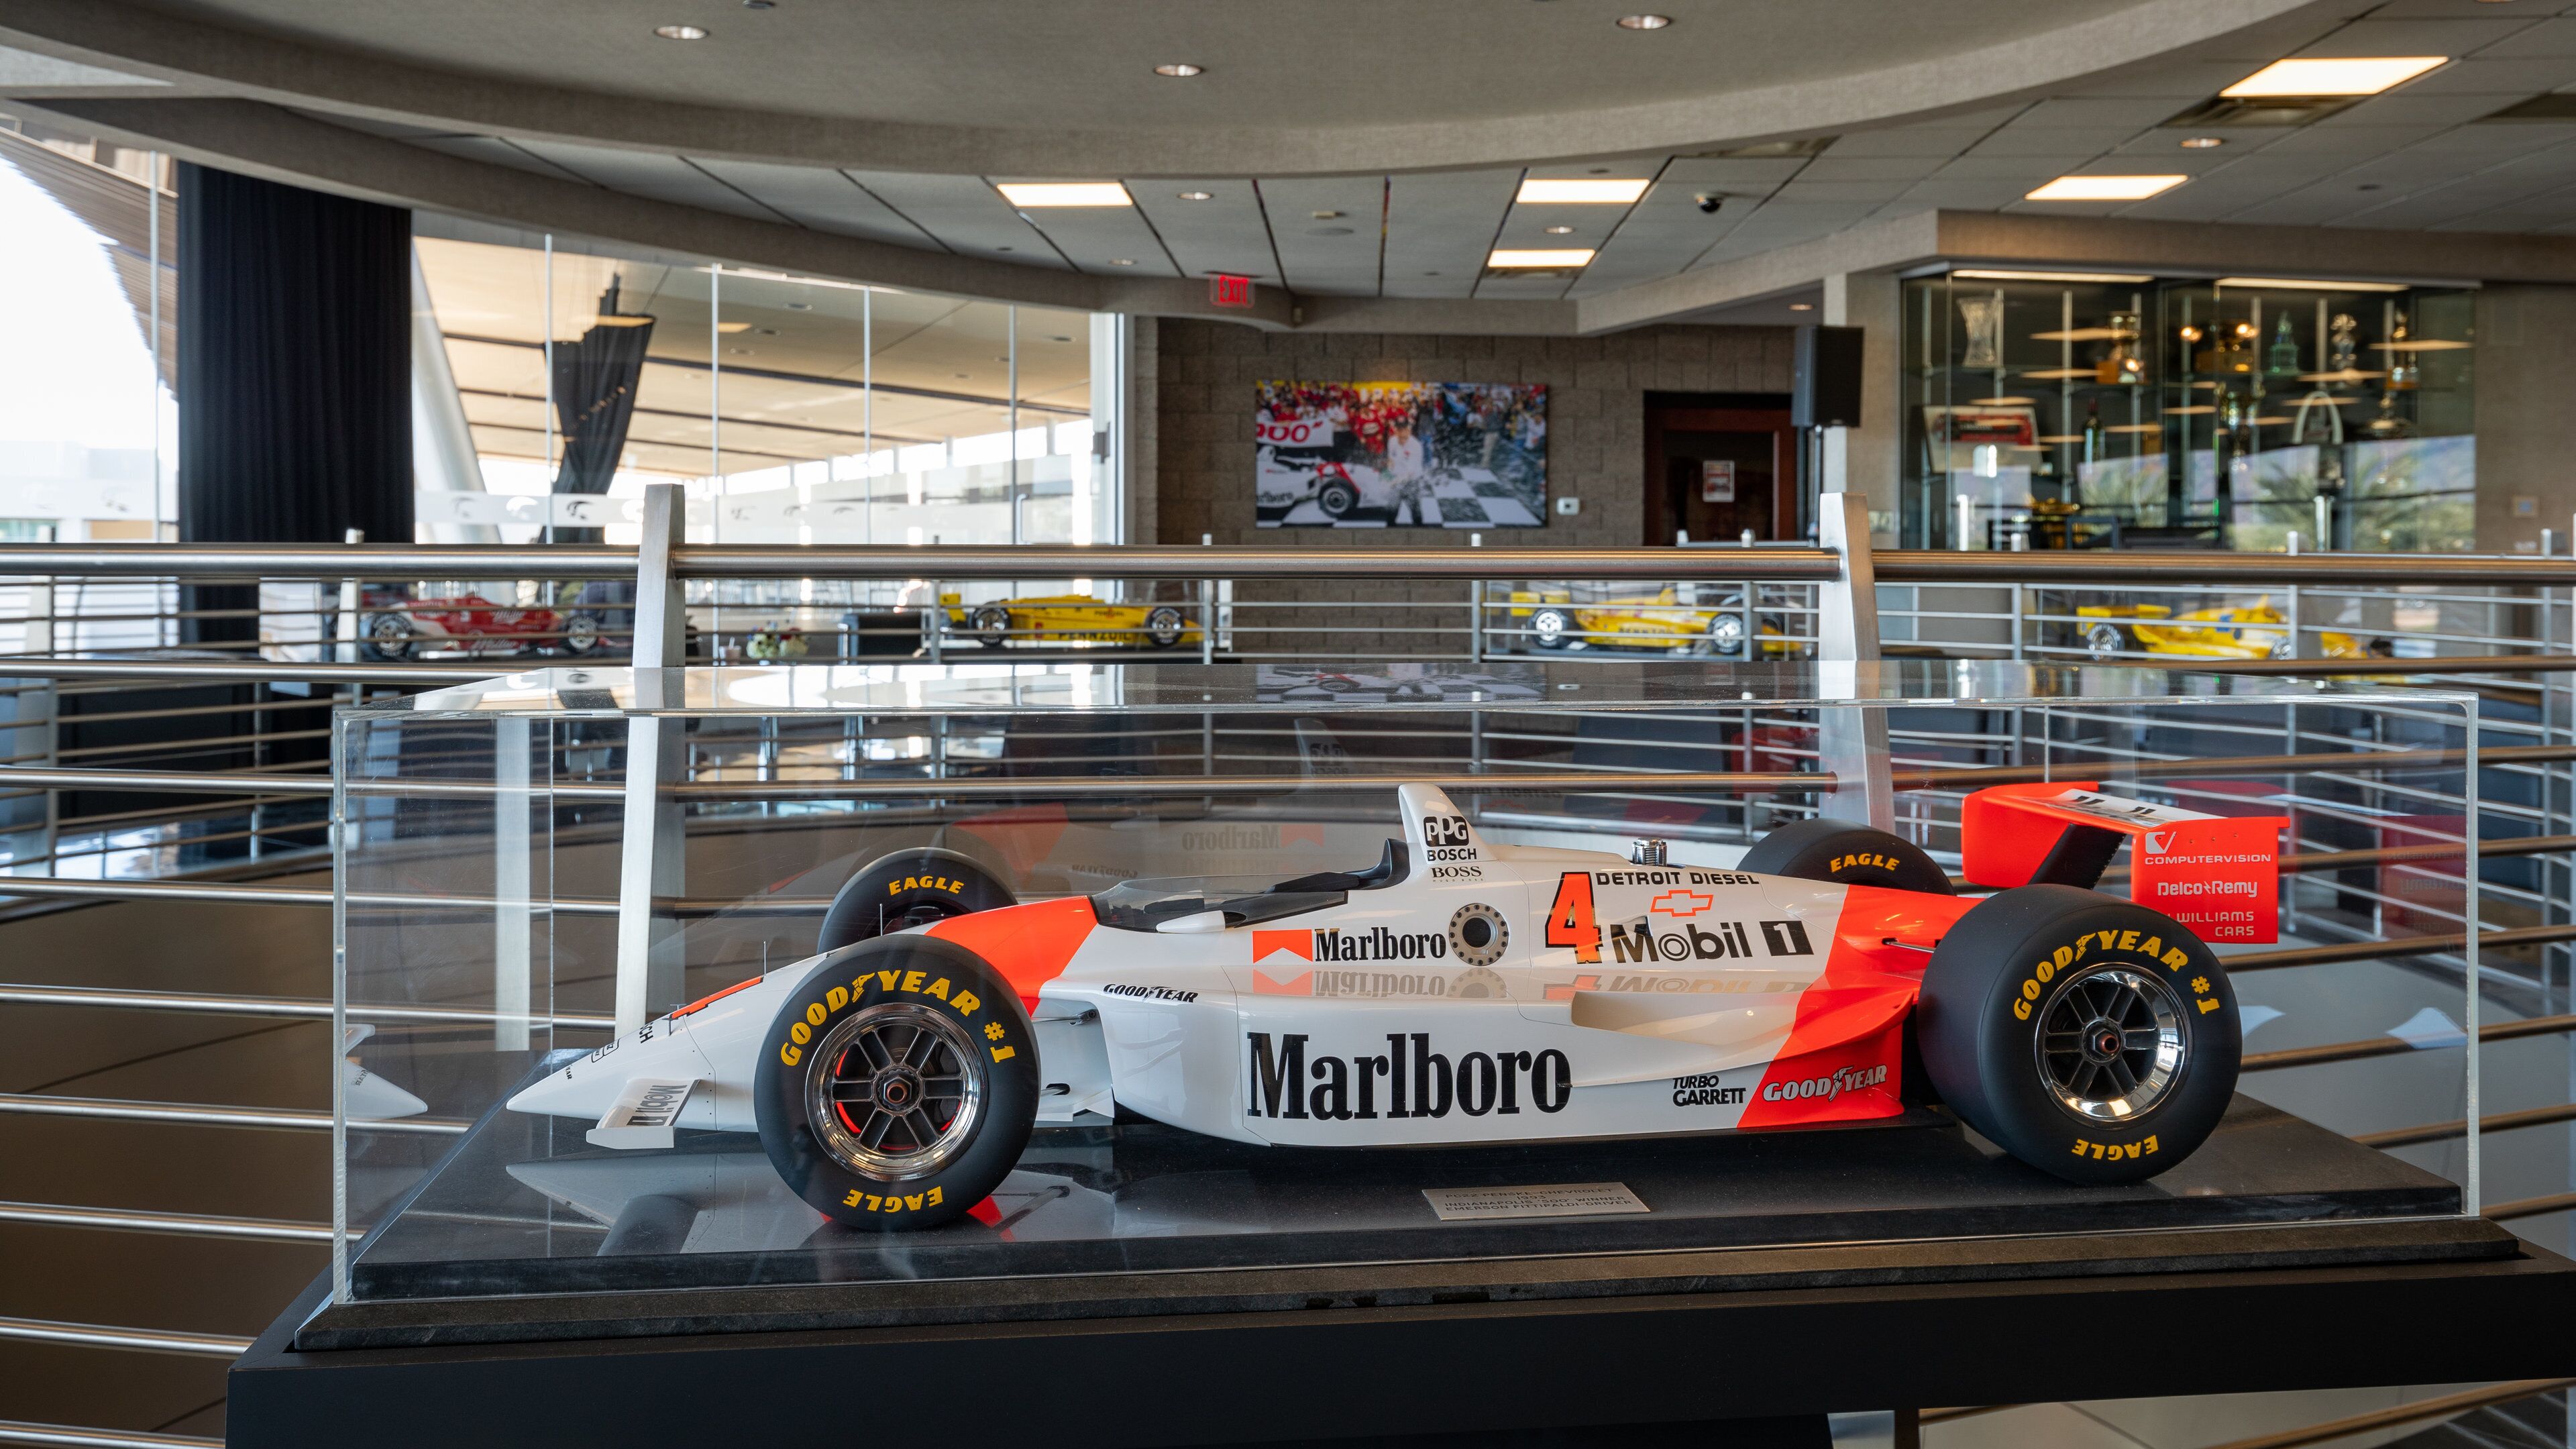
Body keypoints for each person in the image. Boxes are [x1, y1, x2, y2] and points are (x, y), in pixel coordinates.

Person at [1385, 417, 1432, 525]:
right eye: (1399, 429)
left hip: (1411, 482)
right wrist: (1389, 471)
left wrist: (1397, 481)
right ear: (1395, 430)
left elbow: (1411, 470)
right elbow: (1390, 459)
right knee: (1391, 511)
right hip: (1396, 480)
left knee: (1416, 511)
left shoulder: (1415, 446)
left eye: (1404, 429)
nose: (1401, 432)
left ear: (1409, 430)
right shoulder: (1392, 441)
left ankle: (1419, 531)